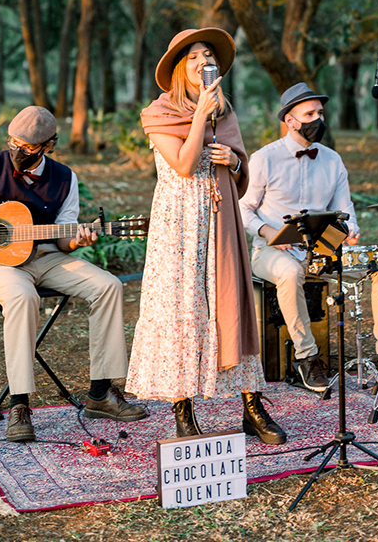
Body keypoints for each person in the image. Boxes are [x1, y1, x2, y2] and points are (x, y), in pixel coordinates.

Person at [0, 106, 147, 442]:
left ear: (49, 145)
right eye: (13, 142)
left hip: (46, 257)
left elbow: (64, 236)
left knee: (108, 285)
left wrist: (77, 239)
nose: (18, 151)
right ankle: (19, 403)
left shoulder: (65, 179)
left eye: (28, 147)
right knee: (23, 296)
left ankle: (100, 394)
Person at [125, 28, 286, 445]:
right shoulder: (158, 112)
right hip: (178, 224)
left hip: (219, 219)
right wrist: (199, 117)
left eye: (208, 54)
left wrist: (233, 160)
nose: (202, 61)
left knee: (231, 303)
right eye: (193, 55)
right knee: (181, 308)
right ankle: (183, 411)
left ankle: (252, 407)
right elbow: (181, 164)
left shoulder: (226, 113)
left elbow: (241, 172)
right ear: (181, 67)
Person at [239, 82, 378, 394]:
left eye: (321, 113)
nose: (318, 120)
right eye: (309, 113)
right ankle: (307, 357)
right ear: (290, 120)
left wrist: (350, 229)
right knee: (289, 272)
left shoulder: (333, 160)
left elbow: (345, 210)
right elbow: (242, 210)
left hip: (324, 250)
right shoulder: (263, 159)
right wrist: (269, 232)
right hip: (271, 252)